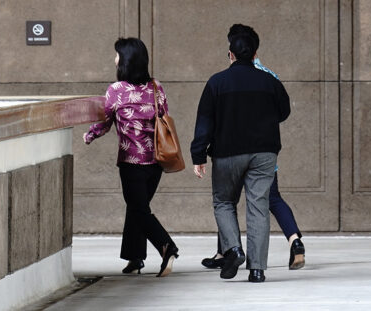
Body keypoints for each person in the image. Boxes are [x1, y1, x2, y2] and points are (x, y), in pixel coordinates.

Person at [200, 23, 305, 272]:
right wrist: (262, 126)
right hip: (264, 151)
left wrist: (199, 152)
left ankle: (232, 249)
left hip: (229, 150)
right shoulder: (269, 77)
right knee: (263, 204)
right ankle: (258, 268)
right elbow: (283, 110)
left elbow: (206, 118)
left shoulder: (219, 81)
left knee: (225, 202)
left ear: (232, 52)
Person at [84, 38, 178, 277]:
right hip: (156, 161)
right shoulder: (156, 87)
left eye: (117, 55)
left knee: (138, 209)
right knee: (138, 207)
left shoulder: (116, 90)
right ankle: (135, 257)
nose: (114, 59)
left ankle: (167, 246)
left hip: (131, 162)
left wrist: (90, 134)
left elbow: (105, 122)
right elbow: (164, 116)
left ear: (125, 60)